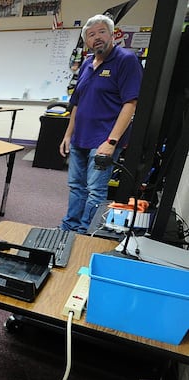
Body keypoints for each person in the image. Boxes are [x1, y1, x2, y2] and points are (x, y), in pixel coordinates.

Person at [59, 14, 142, 234]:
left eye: (101, 32)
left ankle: (86, 233)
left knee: (95, 190)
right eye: (91, 34)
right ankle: (69, 227)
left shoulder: (126, 60)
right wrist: (68, 135)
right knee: (76, 187)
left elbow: (130, 104)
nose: (96, 38)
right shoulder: (87, 64)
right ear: (86, 41)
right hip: (80, 138)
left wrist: (112, 141)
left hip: (104, 139)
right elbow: (77, 103)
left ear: (113, 34)